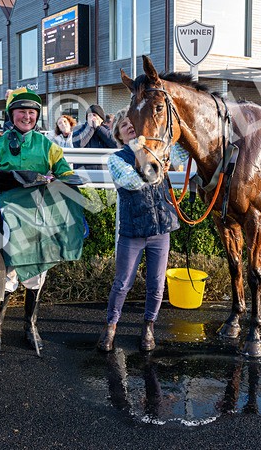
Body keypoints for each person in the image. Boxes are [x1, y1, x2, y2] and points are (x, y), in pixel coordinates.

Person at [0, 87, 76, 356]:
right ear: (11, 115)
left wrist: (59, 180)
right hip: (6, 220)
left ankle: (30, 326)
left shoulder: (48, 146)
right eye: (21, 111)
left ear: (37, 116)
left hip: (37, 221)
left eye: (32, 112)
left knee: (36, 275)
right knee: (1, 277)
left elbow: (66, 172)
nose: (27, 116)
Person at [97, 108, 185, 353]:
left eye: (134, 122)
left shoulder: (158, 149)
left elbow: (182, 161)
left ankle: (149, 326)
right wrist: (144, 156)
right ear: (119, 135)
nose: (131, 127)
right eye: (125, 125)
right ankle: (111, 326)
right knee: (123, 283)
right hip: (133, 230)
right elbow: (134, 182)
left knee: (156, 284)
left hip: (161, 228)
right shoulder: (115, 158)